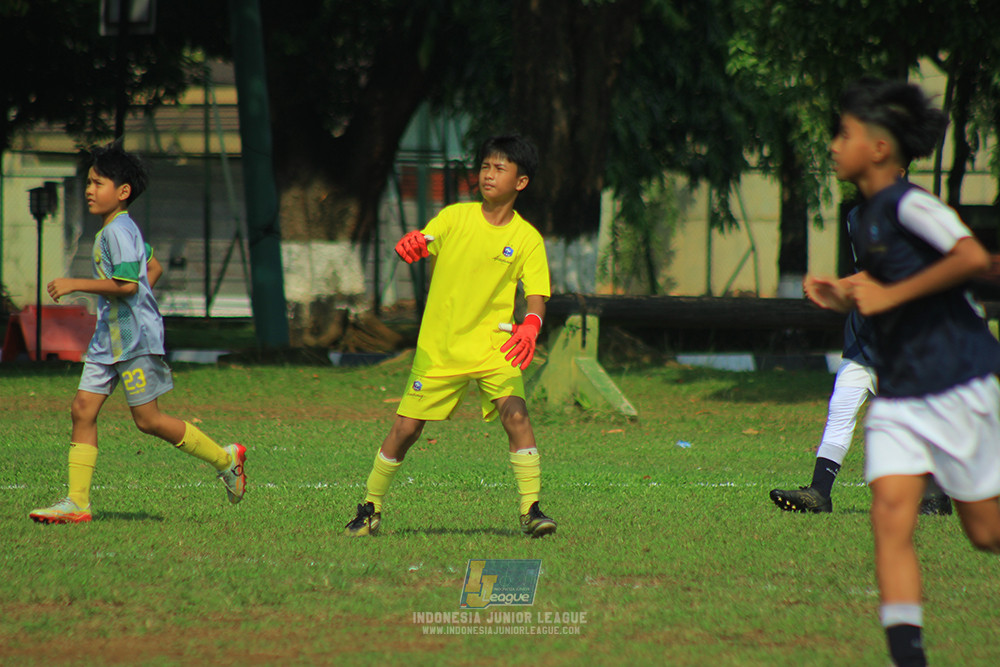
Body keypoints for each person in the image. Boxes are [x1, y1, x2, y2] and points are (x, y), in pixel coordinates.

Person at [805, 79, 1000, 667]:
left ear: (880, 148)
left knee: (986, 534)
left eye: (844, 134)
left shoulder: (912, 204)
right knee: (889, 516)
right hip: (900, 392)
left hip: (961, 382)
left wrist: (890, 297)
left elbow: (971, 259)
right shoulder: (861, 218)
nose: (834, 145)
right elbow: (885, 289)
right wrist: (846, 295)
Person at [343, 134, 556, 538]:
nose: (489, 175)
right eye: (485, 167)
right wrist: (414, 242)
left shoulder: (527, 239)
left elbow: (536, 296)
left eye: (500, 168)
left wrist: (531, 325)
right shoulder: (455, 218)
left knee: (517, 416)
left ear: (521, 182)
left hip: (495, 345)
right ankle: (370, 507)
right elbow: (425, 239)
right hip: (441, 348)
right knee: (407, 429)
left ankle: (532, 510)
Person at [29, 141, 246, 524]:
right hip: (107, 340)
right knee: (82, 409)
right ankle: (77, 503)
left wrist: (76, 283)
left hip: (133, 341)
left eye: (98, 183)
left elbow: (129, 285)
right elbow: (152, 268)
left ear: (123, 192)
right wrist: (137, 301)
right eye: (89, 182)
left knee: (148, 421)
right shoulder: (119, 230)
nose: (90, 190)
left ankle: (226, 459)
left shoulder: (117, 232)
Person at [770, 206, 951, 515]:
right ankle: (819, 493)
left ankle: (936, 496)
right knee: (840, 408)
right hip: (862, 336)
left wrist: (839, 285)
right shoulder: (856, 215)